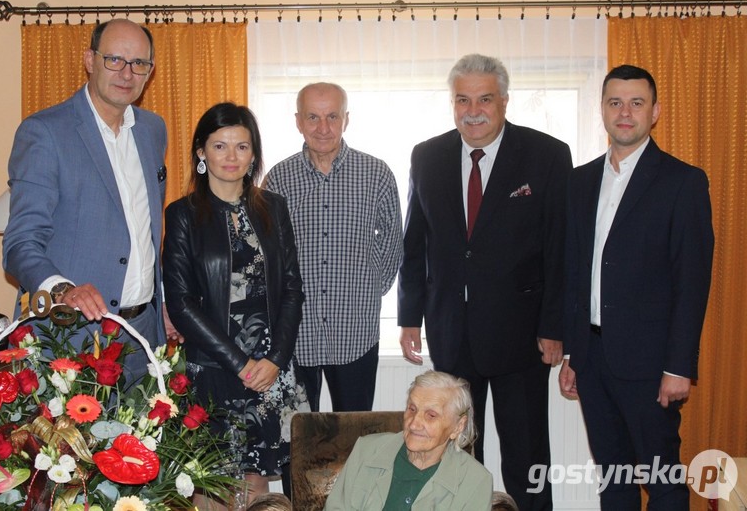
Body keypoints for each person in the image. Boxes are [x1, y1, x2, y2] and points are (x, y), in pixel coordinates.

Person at [397, 53, 572, 511]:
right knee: (454, 454)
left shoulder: (548, 155)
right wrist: (409, 316)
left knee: (527, 455)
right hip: (452, 333)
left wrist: (555, 327)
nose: (473, 110)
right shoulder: (427, 156)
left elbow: (561, 250)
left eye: (485, 99)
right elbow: (415, 242)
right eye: (462, 99)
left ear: (505, 102)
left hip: (523, 338)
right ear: (452, 103)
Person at [559, 65, 714, 510]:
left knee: (662, 482)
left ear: (655, 112)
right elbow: (575, 271)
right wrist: (572, 353)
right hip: (591, 360)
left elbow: (692, 282)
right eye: (615, 103)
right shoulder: (580, 181)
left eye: (636, 103)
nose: (624, 113)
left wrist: (679, 366)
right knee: (615, 482)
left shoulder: (683, 182)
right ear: (602, 111)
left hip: (651, 367)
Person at [3, 18, 168, 384]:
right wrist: (63, 289)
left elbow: (145, 230)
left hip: (143, 336)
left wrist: (163, 305)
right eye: (115, 60)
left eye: (139, 64)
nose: (127, 73)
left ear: (149, 73)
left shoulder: (153, 130)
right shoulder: (45, 132)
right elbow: (20, 245)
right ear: (90, 61)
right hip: (72, 337)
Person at [162, 102, 310, 510]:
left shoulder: (274, 208)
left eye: (242, 147)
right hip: (215, 369)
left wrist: (275, 359)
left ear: (254, 153)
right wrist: (239, 363)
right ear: (201, 152)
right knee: (213, 488)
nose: (231, 157)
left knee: (257, 485)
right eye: (220, 145)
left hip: (269, 369)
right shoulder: (183, 215)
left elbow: (293, 290)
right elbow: (181, 302)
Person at [264, 82, 403, 412]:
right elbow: (268, 251)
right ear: (298, 121)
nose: (323, 128)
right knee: (294, 439)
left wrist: (371, 288)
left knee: (354, 435)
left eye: (332, 117)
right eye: (313, 117)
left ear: (346, 119)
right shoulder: (278, 178)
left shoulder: (377, 173)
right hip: (295, 332)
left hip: (355, 330)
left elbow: (393, 239)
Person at [324, 370, 493, 510]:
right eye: (412, 409)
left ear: (458, 426)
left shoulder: (475, 481)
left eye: (431, 415)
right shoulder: (367, 451)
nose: (414, 423)